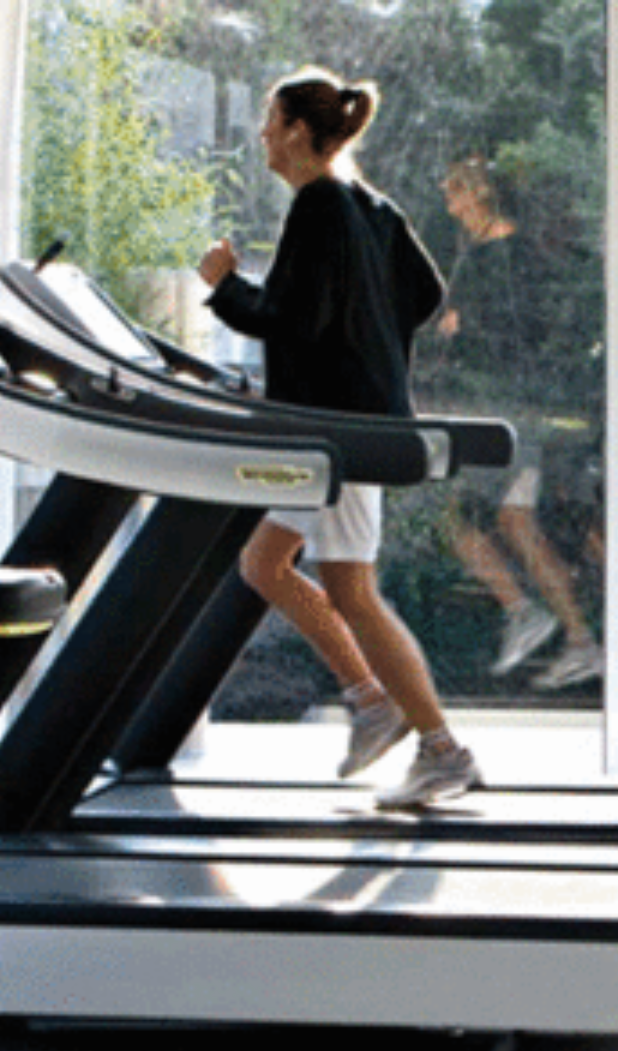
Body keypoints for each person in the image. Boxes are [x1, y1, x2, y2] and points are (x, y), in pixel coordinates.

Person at [198, 66, 481, 810]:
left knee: (353, 590)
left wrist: (223, 283)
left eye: (270, 120)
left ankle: (442, 749)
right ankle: (369, 701)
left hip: (339, 432)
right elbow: (424, 293)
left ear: (297, 131)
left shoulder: (320, 204)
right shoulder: (370, 205)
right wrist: (369, 338)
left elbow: (288, 319)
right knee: (265, 563)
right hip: (336, 425)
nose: (263, 134)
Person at [437, 155, 603, 691]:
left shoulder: (485, 262)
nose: (450, 207)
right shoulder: (527, 255)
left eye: (454, 194)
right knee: (515, 520)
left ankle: (524, 612)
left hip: (500, 412)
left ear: (478, 195)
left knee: (460, 524)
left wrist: (457, 333)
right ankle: (580, 642)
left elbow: (480, 339)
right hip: (527, 407)